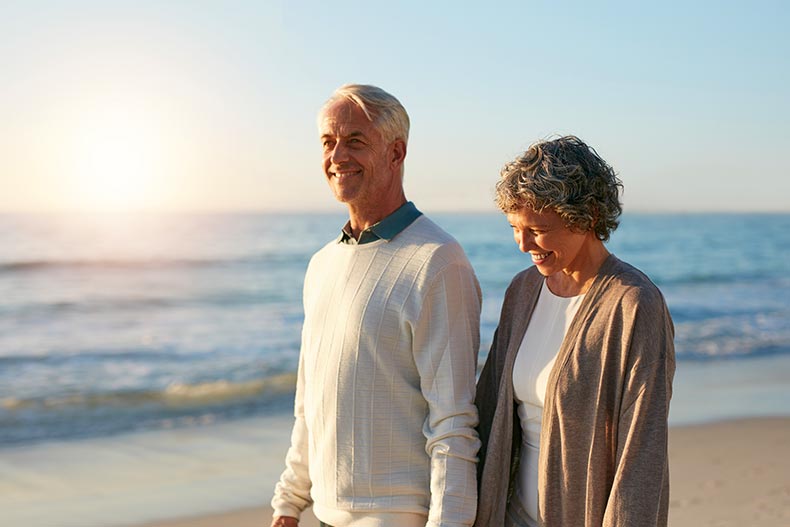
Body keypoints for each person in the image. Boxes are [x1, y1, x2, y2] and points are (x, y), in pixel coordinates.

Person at [270, 84, 482, 527]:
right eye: (328, 142)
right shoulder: (322, 264)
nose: (337, 156)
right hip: (324, 515)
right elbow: (310, 399)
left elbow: (454, 423)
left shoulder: (438, 261)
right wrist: (289, 502)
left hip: (397, 515)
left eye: (355, 141)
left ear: (396, 153)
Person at [474, 136, 675, 527]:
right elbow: (487, 410)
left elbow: (641, 456)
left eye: (538, 229)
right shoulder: (523, 290)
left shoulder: (634, 305)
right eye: (515, 227)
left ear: (590, 217)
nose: (523, 244)